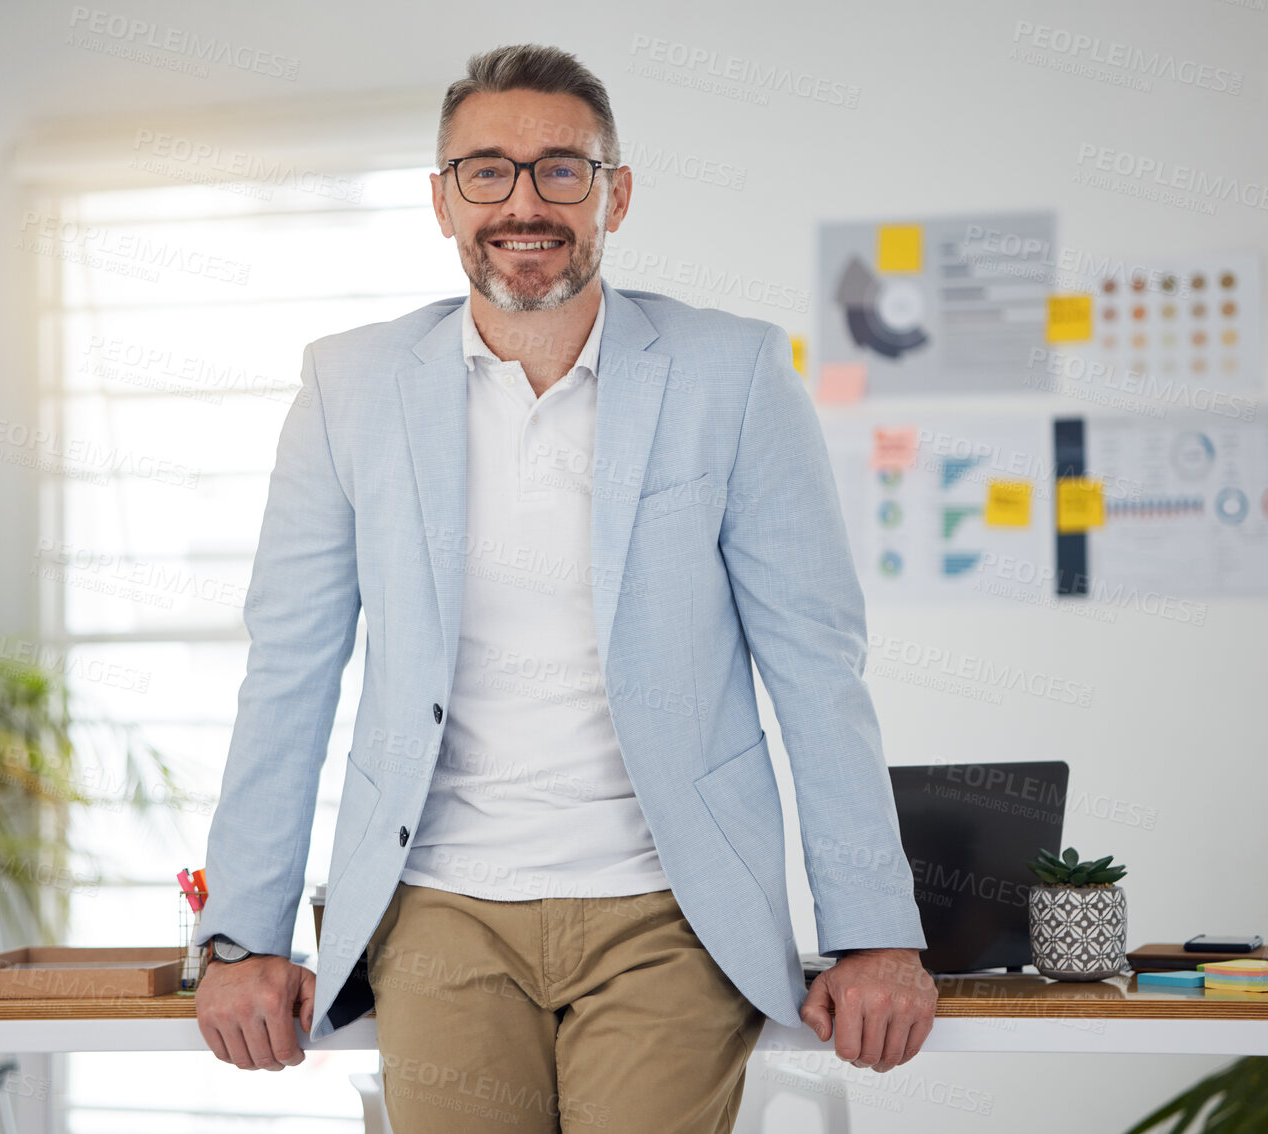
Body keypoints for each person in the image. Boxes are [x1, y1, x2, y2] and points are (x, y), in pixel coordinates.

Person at [195, 42, 936, 1133]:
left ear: (613, 195)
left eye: (560, 169)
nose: (522, 201)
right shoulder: (347, 387)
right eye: (485, 171)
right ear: (443, 202)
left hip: (669, 913)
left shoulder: (731, 376)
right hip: (438, 908)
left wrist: (876, 929)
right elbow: (289, 669)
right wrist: (242, 938)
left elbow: (814, 666)